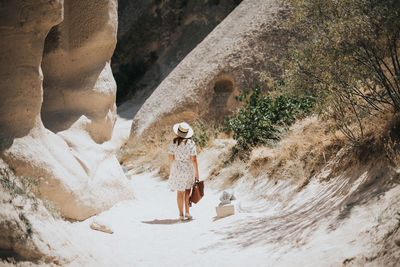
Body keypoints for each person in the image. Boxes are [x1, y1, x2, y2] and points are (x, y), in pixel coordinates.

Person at [168, 122, 199, 220]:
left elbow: (170, 156)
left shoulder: (173, 142)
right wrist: (197, 173)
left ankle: (181, 214)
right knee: (187, 191)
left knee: (179, 192)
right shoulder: (191, 143)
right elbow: (193, 159)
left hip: (177, 168)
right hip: (188, 168)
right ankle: (187, 212)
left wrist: (178, 159)